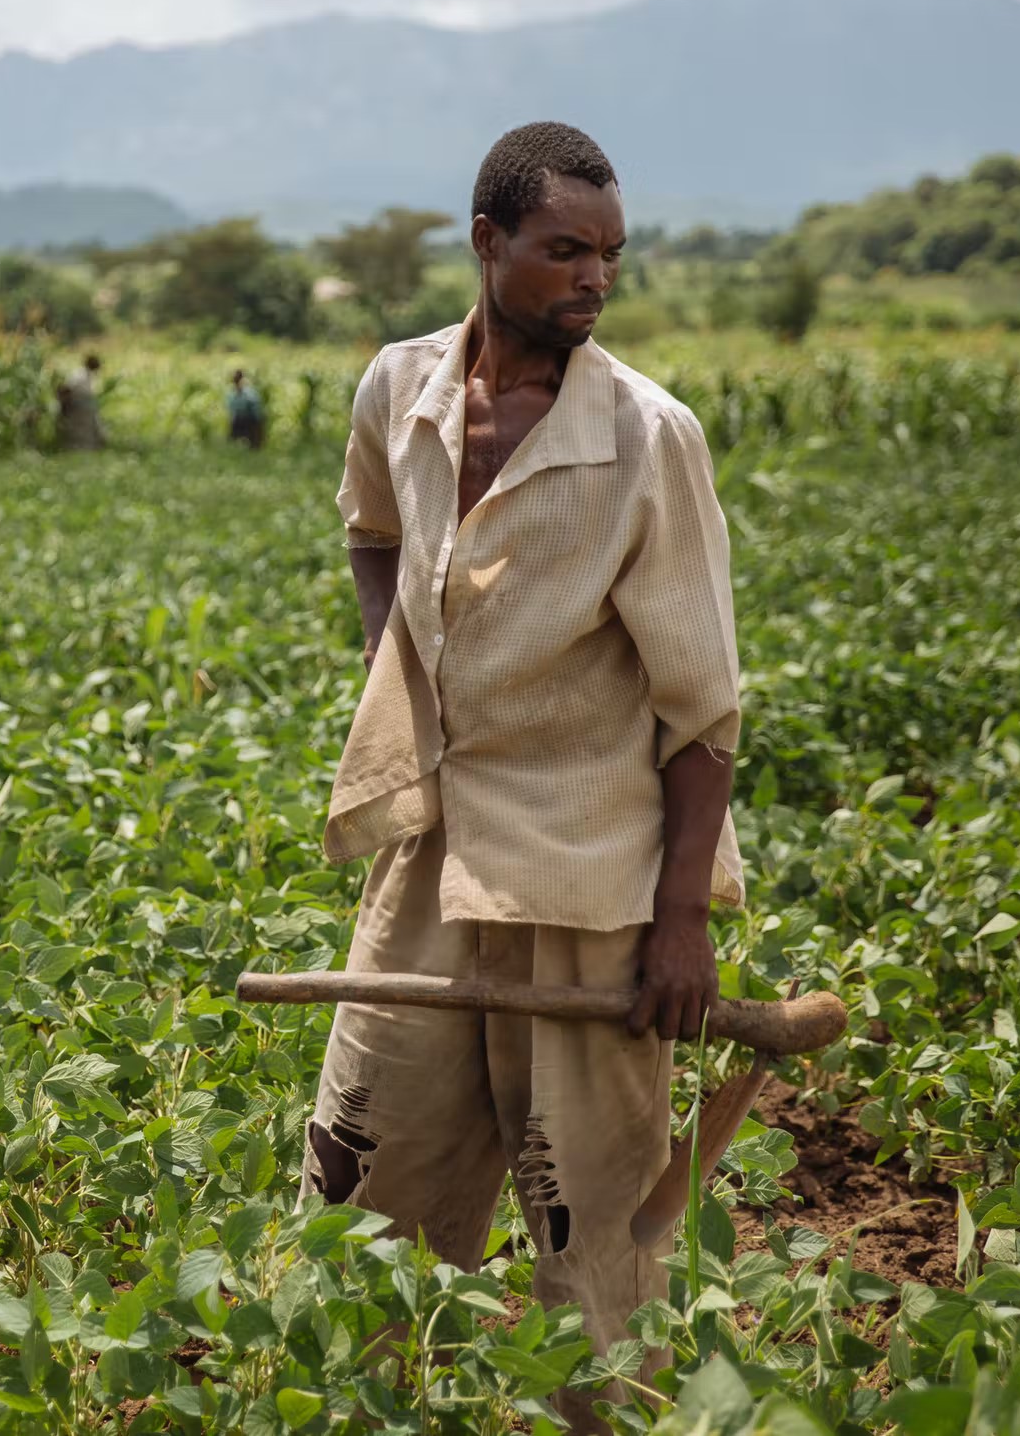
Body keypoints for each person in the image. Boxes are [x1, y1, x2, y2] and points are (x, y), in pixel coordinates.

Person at [303, 122, 744, 1433]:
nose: (592, 280)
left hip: (585, 885)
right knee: (358, 1186)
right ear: (486, 241)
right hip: (429, 864)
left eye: (609, 256)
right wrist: (398, 674)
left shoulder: (650, 439)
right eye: (564, 251)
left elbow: (704, 713)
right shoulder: (401, 390)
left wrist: (680, 925)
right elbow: (370, 531)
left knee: (589, 1234)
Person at [56, 353, 107, 451]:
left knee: (89, 429)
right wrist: (64, 406)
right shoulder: (79, 374)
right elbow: (66, 389)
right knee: (77, 430)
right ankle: (74, 450)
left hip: (86, 407)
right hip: (77, 406)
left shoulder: (91, 376)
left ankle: (87, 449)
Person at [225, 368, 267, 449]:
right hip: (241, 420)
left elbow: (256, 409)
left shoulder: (248, 392)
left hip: (250, 420)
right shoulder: (233, 394)